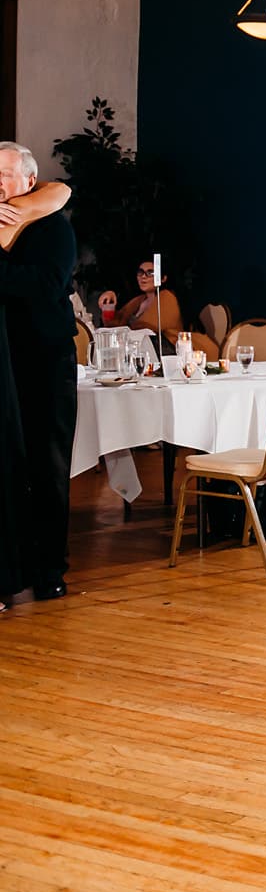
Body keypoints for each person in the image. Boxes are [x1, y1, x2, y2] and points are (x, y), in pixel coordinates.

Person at [0, 143, 81, 607]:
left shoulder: (53, 227)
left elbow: (46, 285)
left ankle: (50, 569)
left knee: (47, 468)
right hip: (4, 357)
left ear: (30, 183)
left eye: (6, 175)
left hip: (45, 360)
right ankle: (10, 570)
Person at [99, 255, 183, 338]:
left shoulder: (167, 297)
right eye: (140, 272)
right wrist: (108, 303)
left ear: (163, 278)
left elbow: (150, 329)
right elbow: (115, 325)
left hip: (160, 350)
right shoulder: (139, 300)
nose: (143, 276)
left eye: (150, 273)